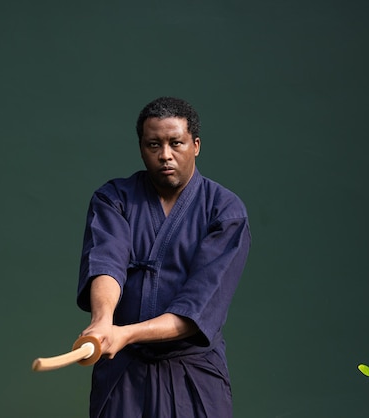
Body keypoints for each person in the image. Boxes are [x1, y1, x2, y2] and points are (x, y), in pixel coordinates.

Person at [77, 96, 251, 418]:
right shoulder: (114, 199)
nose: (165, 155)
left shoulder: (225, 212)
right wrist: (102, 320)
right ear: (142, 147)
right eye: (153, 144)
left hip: (192, 375)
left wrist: (124, 333)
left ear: (195, 145)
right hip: (124, 374)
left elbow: (197, 308)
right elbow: (107, 263)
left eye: (176, 143)